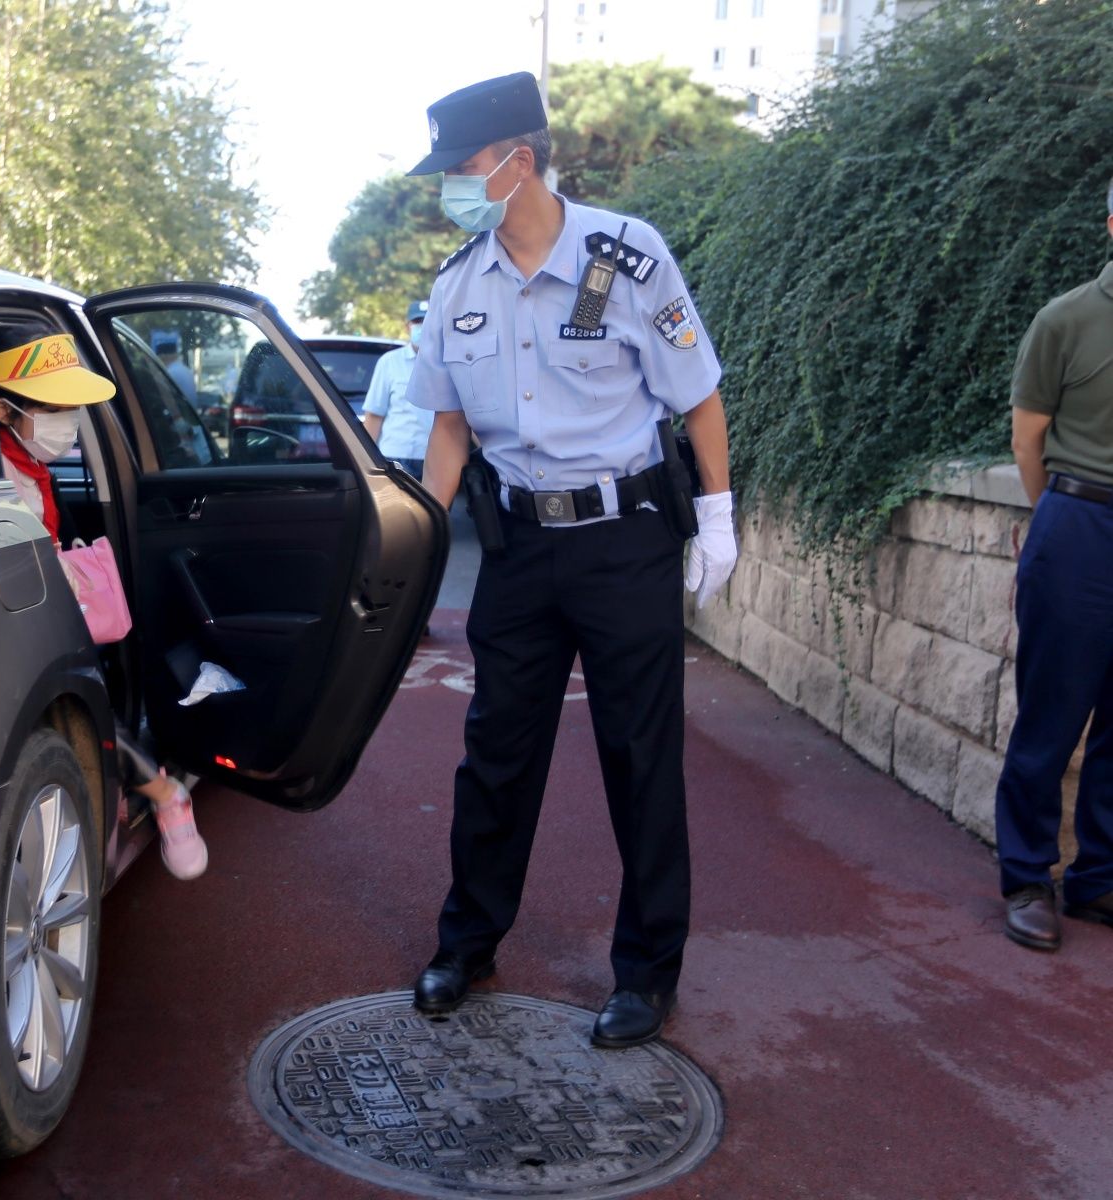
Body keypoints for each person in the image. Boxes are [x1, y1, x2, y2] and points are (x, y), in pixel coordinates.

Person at [402, 71, 737, 1048]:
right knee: (496, 755)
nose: (451, 189)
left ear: (519, 159)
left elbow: (699, 394)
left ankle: (646, 973)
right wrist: (422, 539)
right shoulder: (457, 285)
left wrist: (716, 515)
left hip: (625, 540)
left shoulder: (627, 257)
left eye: (462, 168)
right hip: (519, 548)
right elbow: (449, 434)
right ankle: (467, 943)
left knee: (640, 759)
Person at [0, 322, 209, 880]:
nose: (68, 423)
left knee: (97, 691)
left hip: (51, 604)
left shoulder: (30, 464)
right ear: (5, 412)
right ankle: (165, 792)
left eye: (70, 407)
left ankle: (152, 790)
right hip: (15, 617)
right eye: (54, 408)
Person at [994, 177, 1113, 951]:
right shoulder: (1066, 318)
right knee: (1052, 710)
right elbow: (1027, 437)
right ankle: (1028, 875)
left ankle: (1099, 879)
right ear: (1110, 222)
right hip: (1078, 521)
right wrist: (1051, 521)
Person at [362, 300, 436, 478]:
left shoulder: (448, 363)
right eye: (417, 322)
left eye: (427, 321)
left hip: (435, 458)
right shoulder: (389, 362)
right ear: (407, 327)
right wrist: (364, 462)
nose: (422, 326)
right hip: (394, 458)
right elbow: (374, 415)